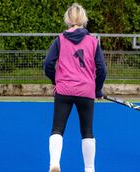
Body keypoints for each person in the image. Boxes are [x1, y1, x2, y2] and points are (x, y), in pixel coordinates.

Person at [43, 3, 107, 172]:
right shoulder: (93, 42)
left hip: (64, 90)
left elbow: (48, 64)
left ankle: (54, 163)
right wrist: (97, 89)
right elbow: (102, 69)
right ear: (84, 19)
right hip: (86, 92)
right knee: (87, 131)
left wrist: (56, 81)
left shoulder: (60, 40)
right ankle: (89, 168)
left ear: (68, 20)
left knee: (57, 128)